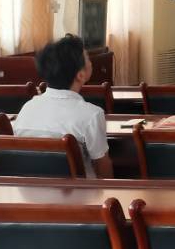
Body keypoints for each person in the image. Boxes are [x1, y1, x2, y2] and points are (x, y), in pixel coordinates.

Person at [13, 35, 113, 179]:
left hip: (31, 190)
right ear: (80, 75)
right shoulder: (92, 114)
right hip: (79, 192)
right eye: (88, 58)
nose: (91, 62)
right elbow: (102, 167)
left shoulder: (27, 108)